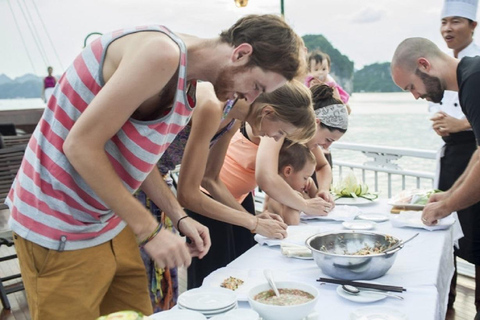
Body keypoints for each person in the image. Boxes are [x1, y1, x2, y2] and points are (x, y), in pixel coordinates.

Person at [5, 14, 303, 319]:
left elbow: (134, 157)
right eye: (256, 85)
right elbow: (79, 146)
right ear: (240, 53)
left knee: (138, 313)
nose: (250, 98)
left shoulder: (189, 82)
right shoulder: (162, 53)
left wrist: (178, 216)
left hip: (108, 221)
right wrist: (149, 230)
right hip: (58, 222)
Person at [180, 80, 317, 288]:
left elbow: (210, 178)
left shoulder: (233, 119)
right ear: (268, 112)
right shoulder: (213, 107)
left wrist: (251, 218)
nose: (273, 138)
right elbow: (188, 194)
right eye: (280, 133)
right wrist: (252, 223)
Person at [391, 36, 480, 318]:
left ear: (424, 64)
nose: (415, 96)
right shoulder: (470, 78)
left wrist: (446, 207)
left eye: (411, 87)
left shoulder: (475, 81)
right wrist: (450, 194)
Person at [427, 0, 480, 311]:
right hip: (453, 156)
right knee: (453, 237)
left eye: (456, 21)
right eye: (444, 22)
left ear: (473, 25)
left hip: (471, 148)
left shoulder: (474, 71)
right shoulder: (445, 66)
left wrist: (461, 124)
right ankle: (447, 301)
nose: (448, 28)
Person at [256, 84, 348, 217]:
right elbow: (265, 177)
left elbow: (323, 166)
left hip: (239, 194)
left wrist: (323, 190)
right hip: (226, 192)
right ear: (316, 123)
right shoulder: (280, 129)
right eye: (328, 139)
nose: (326, 147)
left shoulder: (303, 139)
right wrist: (305, 205)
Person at [263, 142, 317, 225]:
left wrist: (312, 186)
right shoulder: (276, 196)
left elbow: (317, 204)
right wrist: (296, 199)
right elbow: (293, 224)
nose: (307, 181)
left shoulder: (297, 189)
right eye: (305, 178)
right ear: (288, 171)